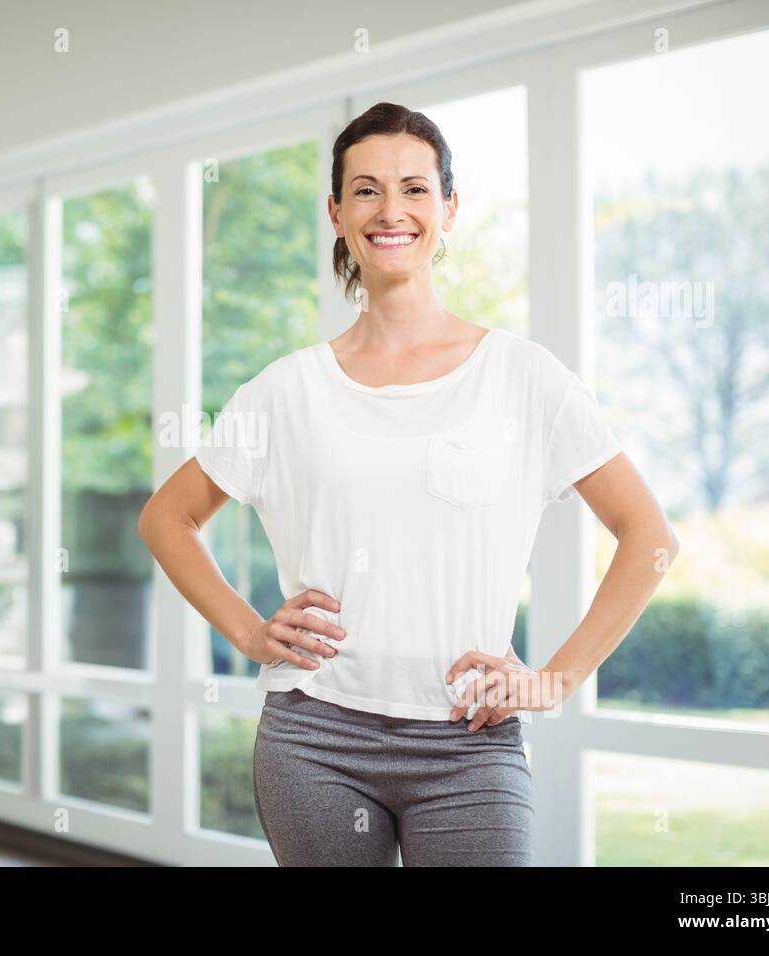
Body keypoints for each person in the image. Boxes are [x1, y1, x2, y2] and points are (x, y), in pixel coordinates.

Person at [137, 101, 680, 866]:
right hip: (313, 736)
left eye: (415, 188)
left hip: (470, 742)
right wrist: (249, 633)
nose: (391, 210)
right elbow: (167, 517)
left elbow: (650, 537)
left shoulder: (522, 378)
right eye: (365, 190)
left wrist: (555, 679)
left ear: (449, 207)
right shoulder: (285, 391)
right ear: (335, 212)